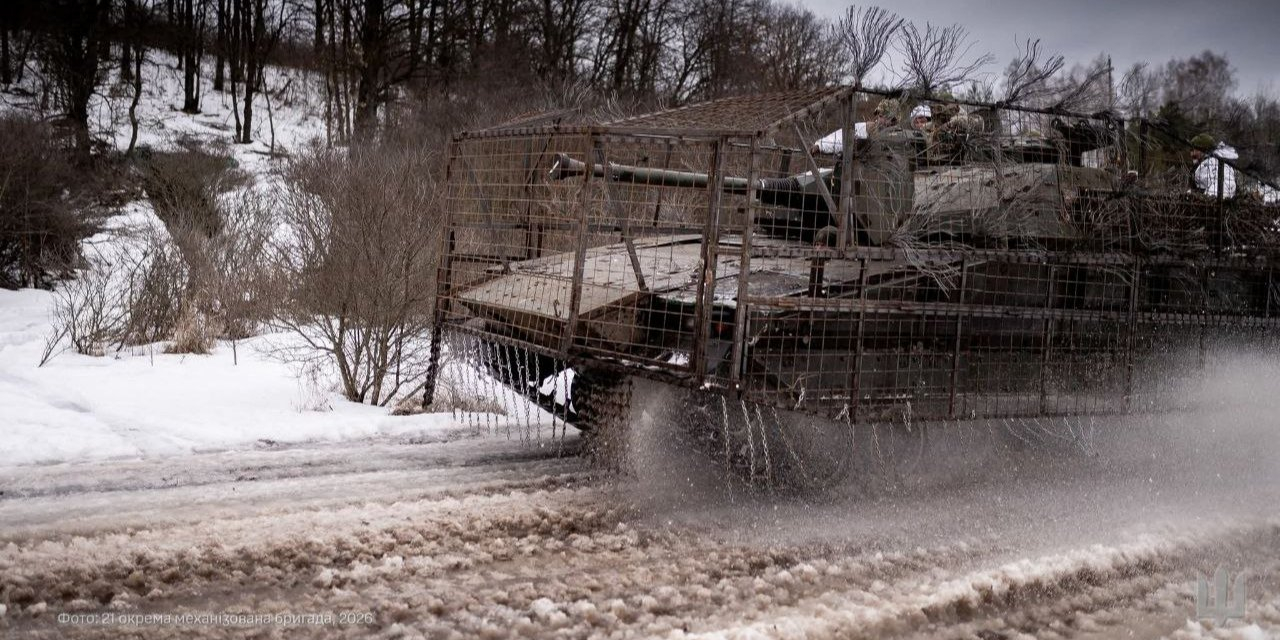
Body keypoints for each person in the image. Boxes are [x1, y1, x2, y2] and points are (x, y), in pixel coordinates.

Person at [811, 98, 900, 155]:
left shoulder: (902, 135)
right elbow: (841, 139)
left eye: (883, 116)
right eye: (879, 116)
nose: (880, 119)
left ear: (892, 118)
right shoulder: (869, 128)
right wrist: (820, 145)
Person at [1189, 133, 1238, 199]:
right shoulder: (1203, 164)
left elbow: (1225, 186)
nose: (1193, 154)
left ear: (1205, 150)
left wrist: (1207, 200)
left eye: (1197, 150)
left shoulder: (1213, 163)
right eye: (1191, 150)